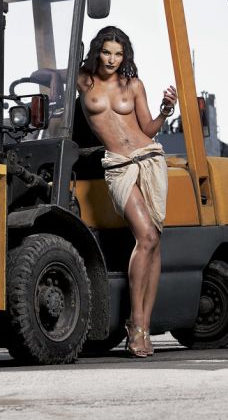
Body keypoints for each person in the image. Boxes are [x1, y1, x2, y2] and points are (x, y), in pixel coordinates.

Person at [76, 26, 177, 358]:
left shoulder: (133, 85)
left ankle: (143, 327)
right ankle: (134, 323)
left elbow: (147, 128)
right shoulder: (83, 81)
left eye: (118, 54)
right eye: (107, 52)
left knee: (153, 240)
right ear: (97, 51)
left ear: (125, 56)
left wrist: (165, 110)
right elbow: (52, 74)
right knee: (145, 235)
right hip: (118, 164)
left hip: (149, 157)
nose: (112, 59)